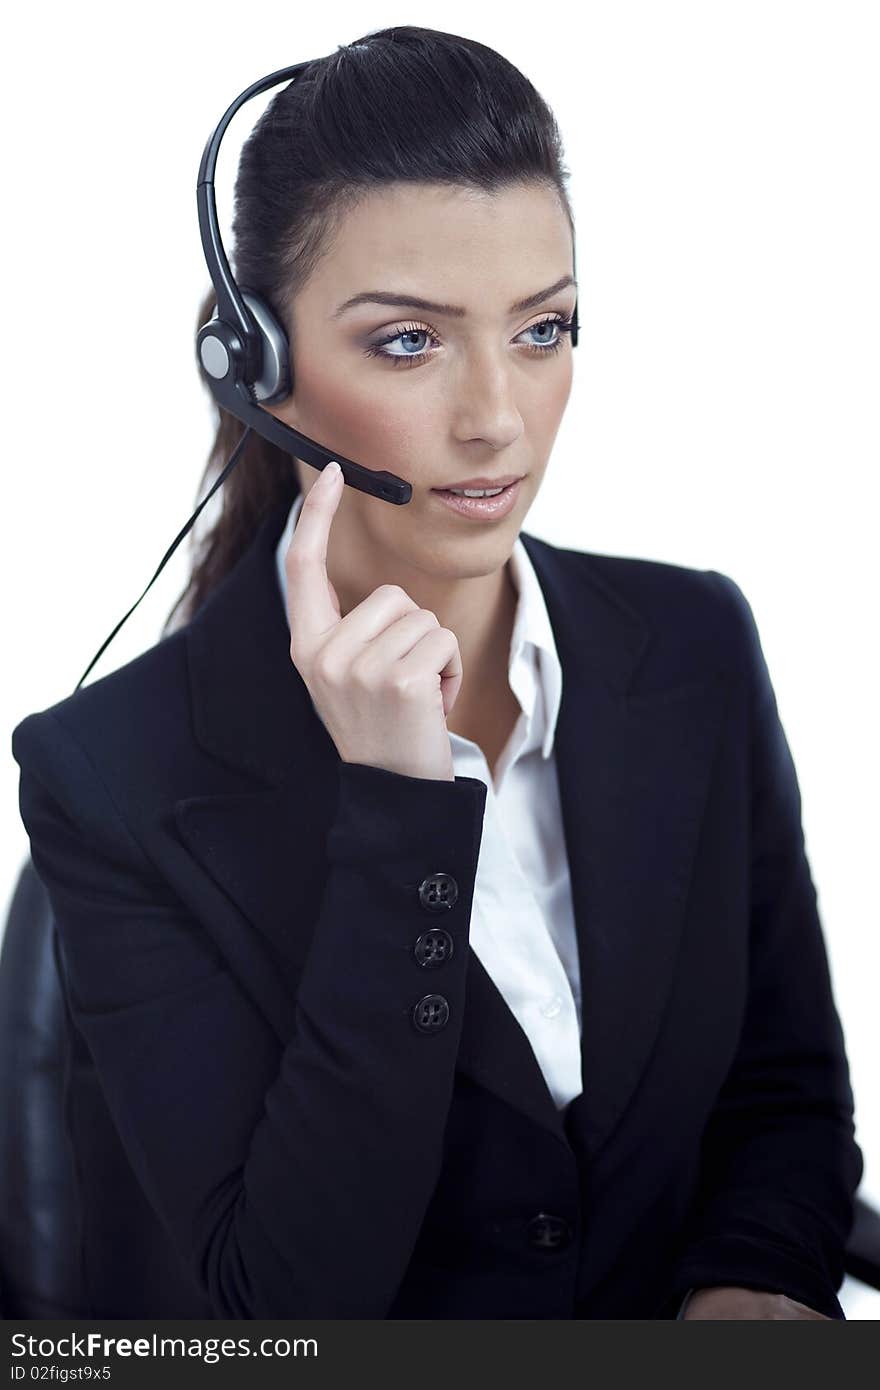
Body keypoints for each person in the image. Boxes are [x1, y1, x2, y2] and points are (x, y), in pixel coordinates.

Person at [10, 25, 862, 1320]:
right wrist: (402, 806)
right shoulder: (115, 780)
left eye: (544, 329)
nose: (497, 417)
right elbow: (280, 1305)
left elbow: (784, 1093)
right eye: (410, 342)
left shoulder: (692, 649)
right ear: (258, 369)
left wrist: (753, 1281)